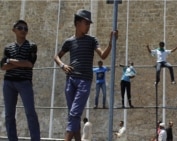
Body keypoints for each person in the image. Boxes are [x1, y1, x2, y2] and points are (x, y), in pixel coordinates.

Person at [54, 9, 118, 141]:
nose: (88, 26)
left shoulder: (92, 40)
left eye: (89, 23)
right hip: (70, 79)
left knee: (74, 113)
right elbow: (57, 56)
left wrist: (111, 43)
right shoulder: (69, 41)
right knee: (73, 115)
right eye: (86, 23)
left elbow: (103, 55)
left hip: (84, 80)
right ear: (77, 23)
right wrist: (63, 65)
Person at [0, 20, 40, 141]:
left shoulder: (32, 46)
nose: (23, 30)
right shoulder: (8, 48)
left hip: (24, 82)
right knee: (9, 115)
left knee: (30, 112)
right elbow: (2, 67)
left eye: (25, 29)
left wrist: (11, 61)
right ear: (14, 30)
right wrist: (19, 63)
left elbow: (29, 64)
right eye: (20, 28)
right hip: (9, 83)